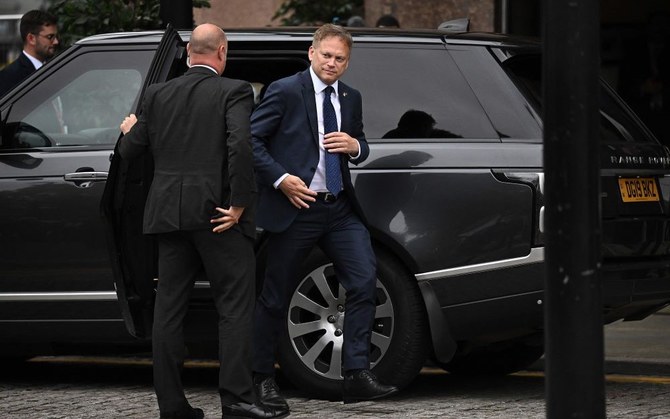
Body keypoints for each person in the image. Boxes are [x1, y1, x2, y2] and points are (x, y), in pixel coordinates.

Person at [117, 24, 287, 419]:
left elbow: (129, 151)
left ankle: (172, 407)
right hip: (218, 217)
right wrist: (241, 203)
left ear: (190, 53)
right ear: (221, 52)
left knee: (168, 311)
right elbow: (240, 145)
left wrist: (127, 130)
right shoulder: (235, 90)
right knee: (233, 307)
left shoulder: (158, 94)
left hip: (167, 216)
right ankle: (237, 400)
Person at [251, 23, 399, 410]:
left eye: (340, 58)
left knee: (365, 280)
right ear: (312, 53)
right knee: (274, 295)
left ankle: (355, 375)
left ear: (348, 63)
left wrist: (356, 147)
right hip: (296, 207)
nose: (332, 63)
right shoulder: (284, 90)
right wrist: (282, 180)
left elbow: (361, 144)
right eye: (327, 55)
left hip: (339, 208)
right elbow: (251, 141)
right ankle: (262, 378)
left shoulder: (351, 98)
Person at [0, 10, 59, 96]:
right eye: (50, 37)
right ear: (31, 38)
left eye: (56, 36)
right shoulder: (9, 77)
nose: (56, 42)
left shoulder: (55, 68)